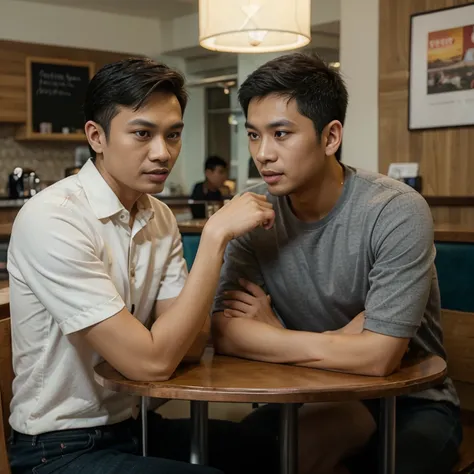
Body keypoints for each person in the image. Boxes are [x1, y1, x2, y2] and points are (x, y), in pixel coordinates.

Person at [7, 58, 277, 474]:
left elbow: (187, 345)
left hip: (137, 426)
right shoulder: (54, 218)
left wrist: (162, 341)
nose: (162, 152)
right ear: (96, 136)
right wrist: (213, 237)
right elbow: (151, 363)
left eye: (173, 135)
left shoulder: (158, 215)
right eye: (142, 134)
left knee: (273, 450)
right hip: (59, 447)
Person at [211, 52, 462, 474]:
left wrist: (275, 334)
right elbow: (223, 331)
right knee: (236, 452)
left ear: (330, 138)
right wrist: (344, 339)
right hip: (305, 392)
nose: (263, 153)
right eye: (254, 136)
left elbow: (380, 358)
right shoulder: (252, 211)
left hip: (408, 402)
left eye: (281, 134)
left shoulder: (394, 210)